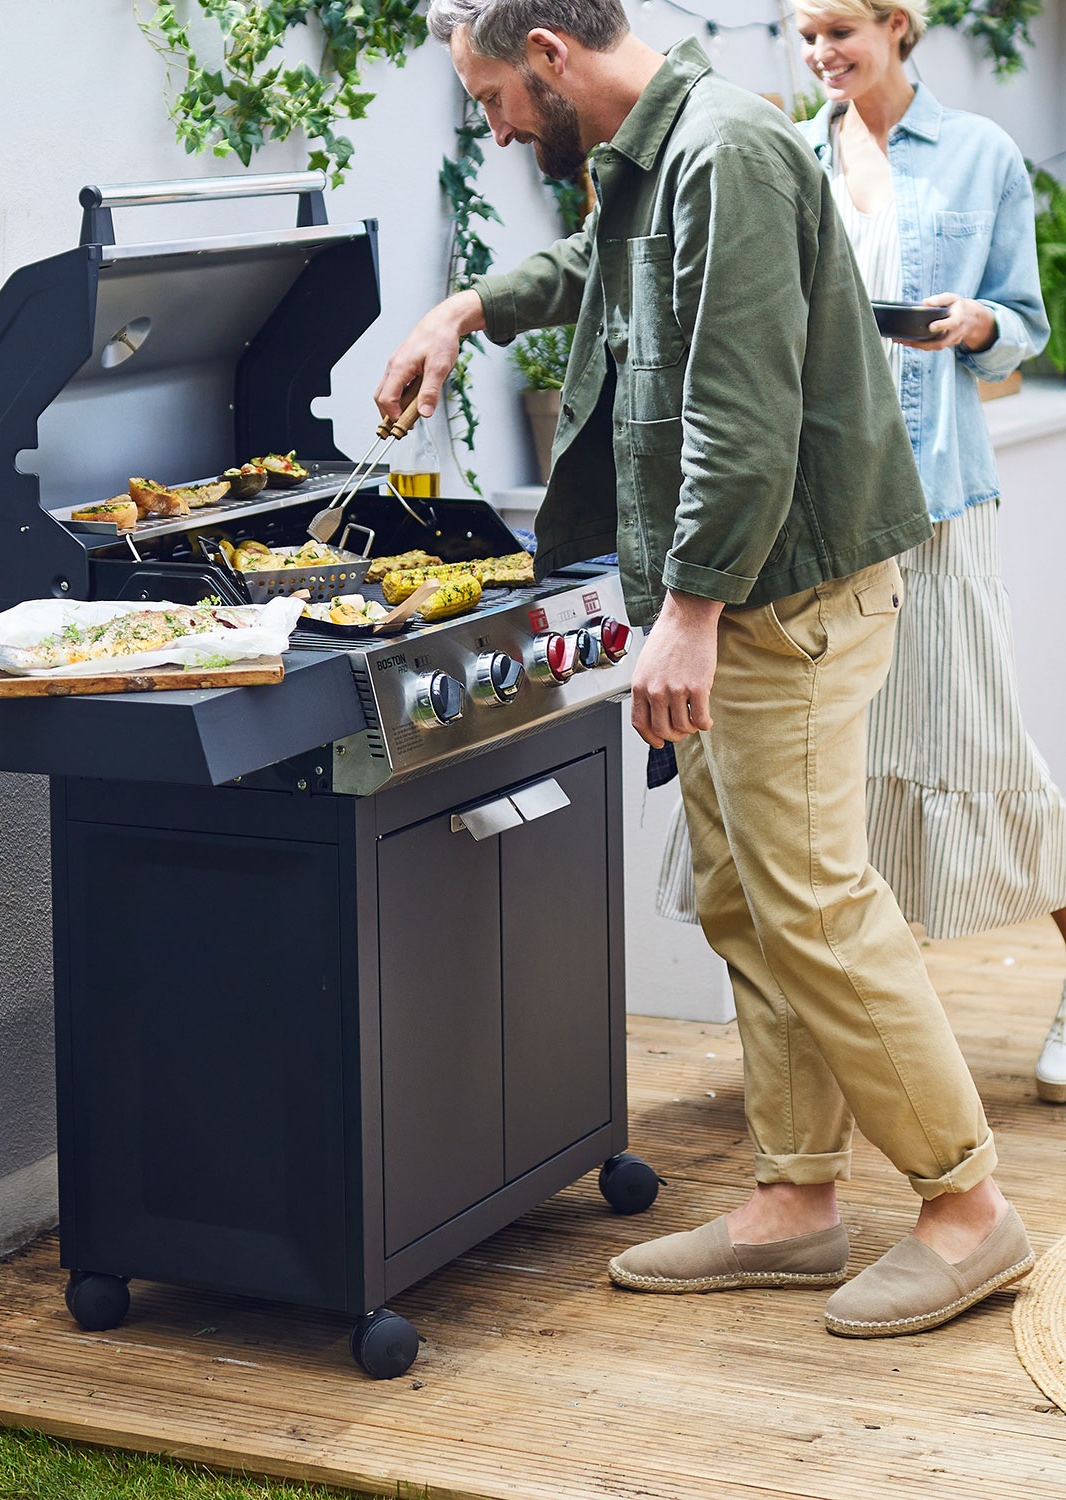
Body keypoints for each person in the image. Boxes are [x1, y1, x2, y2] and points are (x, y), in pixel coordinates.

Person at [381, 0, 1033, 1338]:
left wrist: (689, 613)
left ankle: (971, 1213)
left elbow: (741, 408)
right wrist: (469, 304)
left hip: (780, 597)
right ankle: (797, 1203)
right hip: (745, 600)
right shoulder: (659, 155)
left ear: (553, 61)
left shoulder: (724, 151)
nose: (497, 125)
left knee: (815, 901)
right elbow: (593, 270)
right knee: (748, 902)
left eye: (497, 97)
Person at [656, 0, 1066, 1106]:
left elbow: (1024, 324)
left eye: (839, 31)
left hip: (933, 496)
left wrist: (975, 324)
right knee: (835, 778)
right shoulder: (789, 153)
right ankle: (865, 1025)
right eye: (804, 38)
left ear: (896, 25)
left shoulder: (979, 153)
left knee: (986, 749)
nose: (821, 55)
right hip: (819, 510)